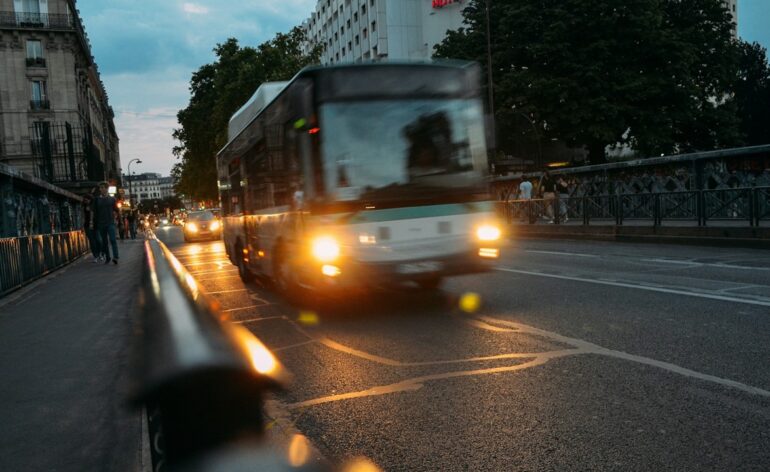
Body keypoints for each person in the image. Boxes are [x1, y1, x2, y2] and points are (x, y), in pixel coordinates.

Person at [93, 182, 119, 264]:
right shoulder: (97, 199)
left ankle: (115, 257)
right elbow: (94, 212)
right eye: (100, 188)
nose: (101, 189)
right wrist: (93, 222)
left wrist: (117, 219)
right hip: (101, 223)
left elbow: (117, 210)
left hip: (110, 222)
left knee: (112, 239)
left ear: (106, 189)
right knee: (104, 241)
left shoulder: (112, 199)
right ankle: (107, 257)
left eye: (102, 188)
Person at [82, 187, 102, 262]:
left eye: (87, 200)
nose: (86, 201)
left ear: (90, 199)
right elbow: (83, 216)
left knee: (99, 240)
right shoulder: (84, 206)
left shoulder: (94, 205)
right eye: (85, 200)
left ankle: (99, 253)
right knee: (92, 241)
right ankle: (96, 255)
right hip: (87, 225)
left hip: (95, 224)